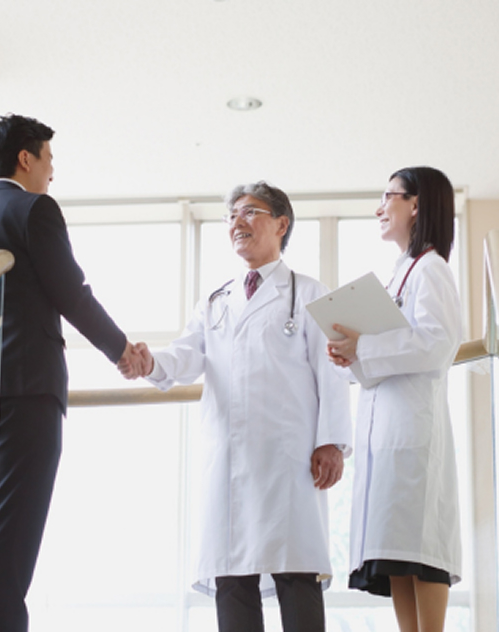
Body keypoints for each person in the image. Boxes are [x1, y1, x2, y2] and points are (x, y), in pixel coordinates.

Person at [121, 181, 352, 632]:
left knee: (296, 574)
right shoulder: (215, 301)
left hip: (289, 461)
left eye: (249, 212)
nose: (236, 223)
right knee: (232, 582)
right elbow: (185, 358)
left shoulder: (306, 293)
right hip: (228, 461)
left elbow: (333, 372)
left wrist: (331, 442)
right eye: (231, 216)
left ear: (281, 224)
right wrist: (149, 362)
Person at [0, 114, 145, 632]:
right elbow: (70, 290)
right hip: (26, 392)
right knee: (11, 554)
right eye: (49, 160)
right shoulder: (33, 209)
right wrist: (121, 349)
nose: (51, 173)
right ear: (26, 158)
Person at [327, 166, 461, 632]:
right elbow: (386, 357)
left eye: (389, 197)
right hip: (386, 434)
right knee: (398, 556)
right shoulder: (402, 271)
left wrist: (364, 346)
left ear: (417, 204)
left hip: (413, 437)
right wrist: (353, 355)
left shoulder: (432, 269)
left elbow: (436, 342)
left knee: (421, 553)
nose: (379, 208)